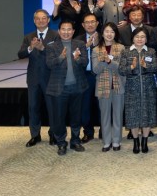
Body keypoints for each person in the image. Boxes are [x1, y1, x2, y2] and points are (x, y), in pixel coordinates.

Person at [45, 20, 89, 156]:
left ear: (73, 31)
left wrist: (77, 59)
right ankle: (61, 143)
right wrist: (61, 57)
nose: (66, 32)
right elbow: (49, 64)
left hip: (77, 87)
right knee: (59, 118)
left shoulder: (80, 44)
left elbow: (85, 62)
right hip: (59, 88)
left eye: (69, 29)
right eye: (63, 29)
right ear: (59, 31)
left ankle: (75, 140)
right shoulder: (52, 46)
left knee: (76, 116)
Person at [18, 9, 58, 147]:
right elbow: (20, 54)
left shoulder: (55, 35)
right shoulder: (28, 37)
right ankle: (35, 135)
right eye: (38, 18)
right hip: (33, 78)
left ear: (48, 20)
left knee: (52, 108)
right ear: (34, 21)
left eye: (43, 18)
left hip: (50, 77)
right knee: (33, 107)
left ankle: (53, 134)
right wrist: (30, 47)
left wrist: (43, 49)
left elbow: (58, 55)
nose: (41, 21)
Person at [119, 27, 157, 154]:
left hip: (148, 87)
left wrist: (145, 66)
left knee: (147, 114)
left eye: (142, 37)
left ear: (146, 39)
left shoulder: (151, 51)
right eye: (137, 37)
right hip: (132, 87)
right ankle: (136, 142)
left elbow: (156, 67)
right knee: (133, 115)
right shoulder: (126, 52)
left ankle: (145, 141)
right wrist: (132, 67)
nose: (140, 39)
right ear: (133, 38)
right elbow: (121, 70)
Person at [91, 22, 126, 152]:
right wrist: (103, 61)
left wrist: (109, 61)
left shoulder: (121, 48)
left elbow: (121, 68)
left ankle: (116, 141)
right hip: (102, 87)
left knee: (118, 115)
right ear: (102, 33)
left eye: (112, 31)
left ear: (115, 33)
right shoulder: (96, 49)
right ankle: (106, 142)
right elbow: (95, 70)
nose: (109, 34)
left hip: (118, 86)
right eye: (106, 31)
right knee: (105, 115)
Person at [79, 13, 100, 143]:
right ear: (83, 25)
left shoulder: (105, 37)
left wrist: (98, 45)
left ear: (97, 23)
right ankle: (88, 132)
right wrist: (86, 46)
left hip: (101, 75)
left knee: (102, 105)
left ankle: (104, 130)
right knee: (85, 105)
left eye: (93, 22)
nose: (90, 24)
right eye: (87, 22)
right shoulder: (78, 40)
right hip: (85, 75)